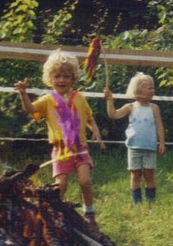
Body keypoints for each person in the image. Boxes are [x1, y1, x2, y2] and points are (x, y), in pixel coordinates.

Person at [14, 50, 105, 227]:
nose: (62, 80)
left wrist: (96, 132)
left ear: (73, 78)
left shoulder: (79, 97)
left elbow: (89, 118)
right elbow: (31, 109)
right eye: (57, 76)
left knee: (85, 181)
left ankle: (90, 212)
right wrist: (23, 94)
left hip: (80, 148)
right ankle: (55, 214)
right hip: (60, 150)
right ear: (50, 78)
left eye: (66, 76)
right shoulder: (48, 100)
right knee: (60, 186)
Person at [104, 72, 166, 205]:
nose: (153, 90)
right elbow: (113, 115)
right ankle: (136, 203)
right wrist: (110, 100)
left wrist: (162, 142)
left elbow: (159, 126)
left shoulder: (154, 108)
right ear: (139, 89)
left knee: (149, 174)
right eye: (149, 88)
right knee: (135, 175)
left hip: (150, 147)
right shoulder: (130, 107)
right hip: (134, 147)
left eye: (153, 88)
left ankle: (151, 203)